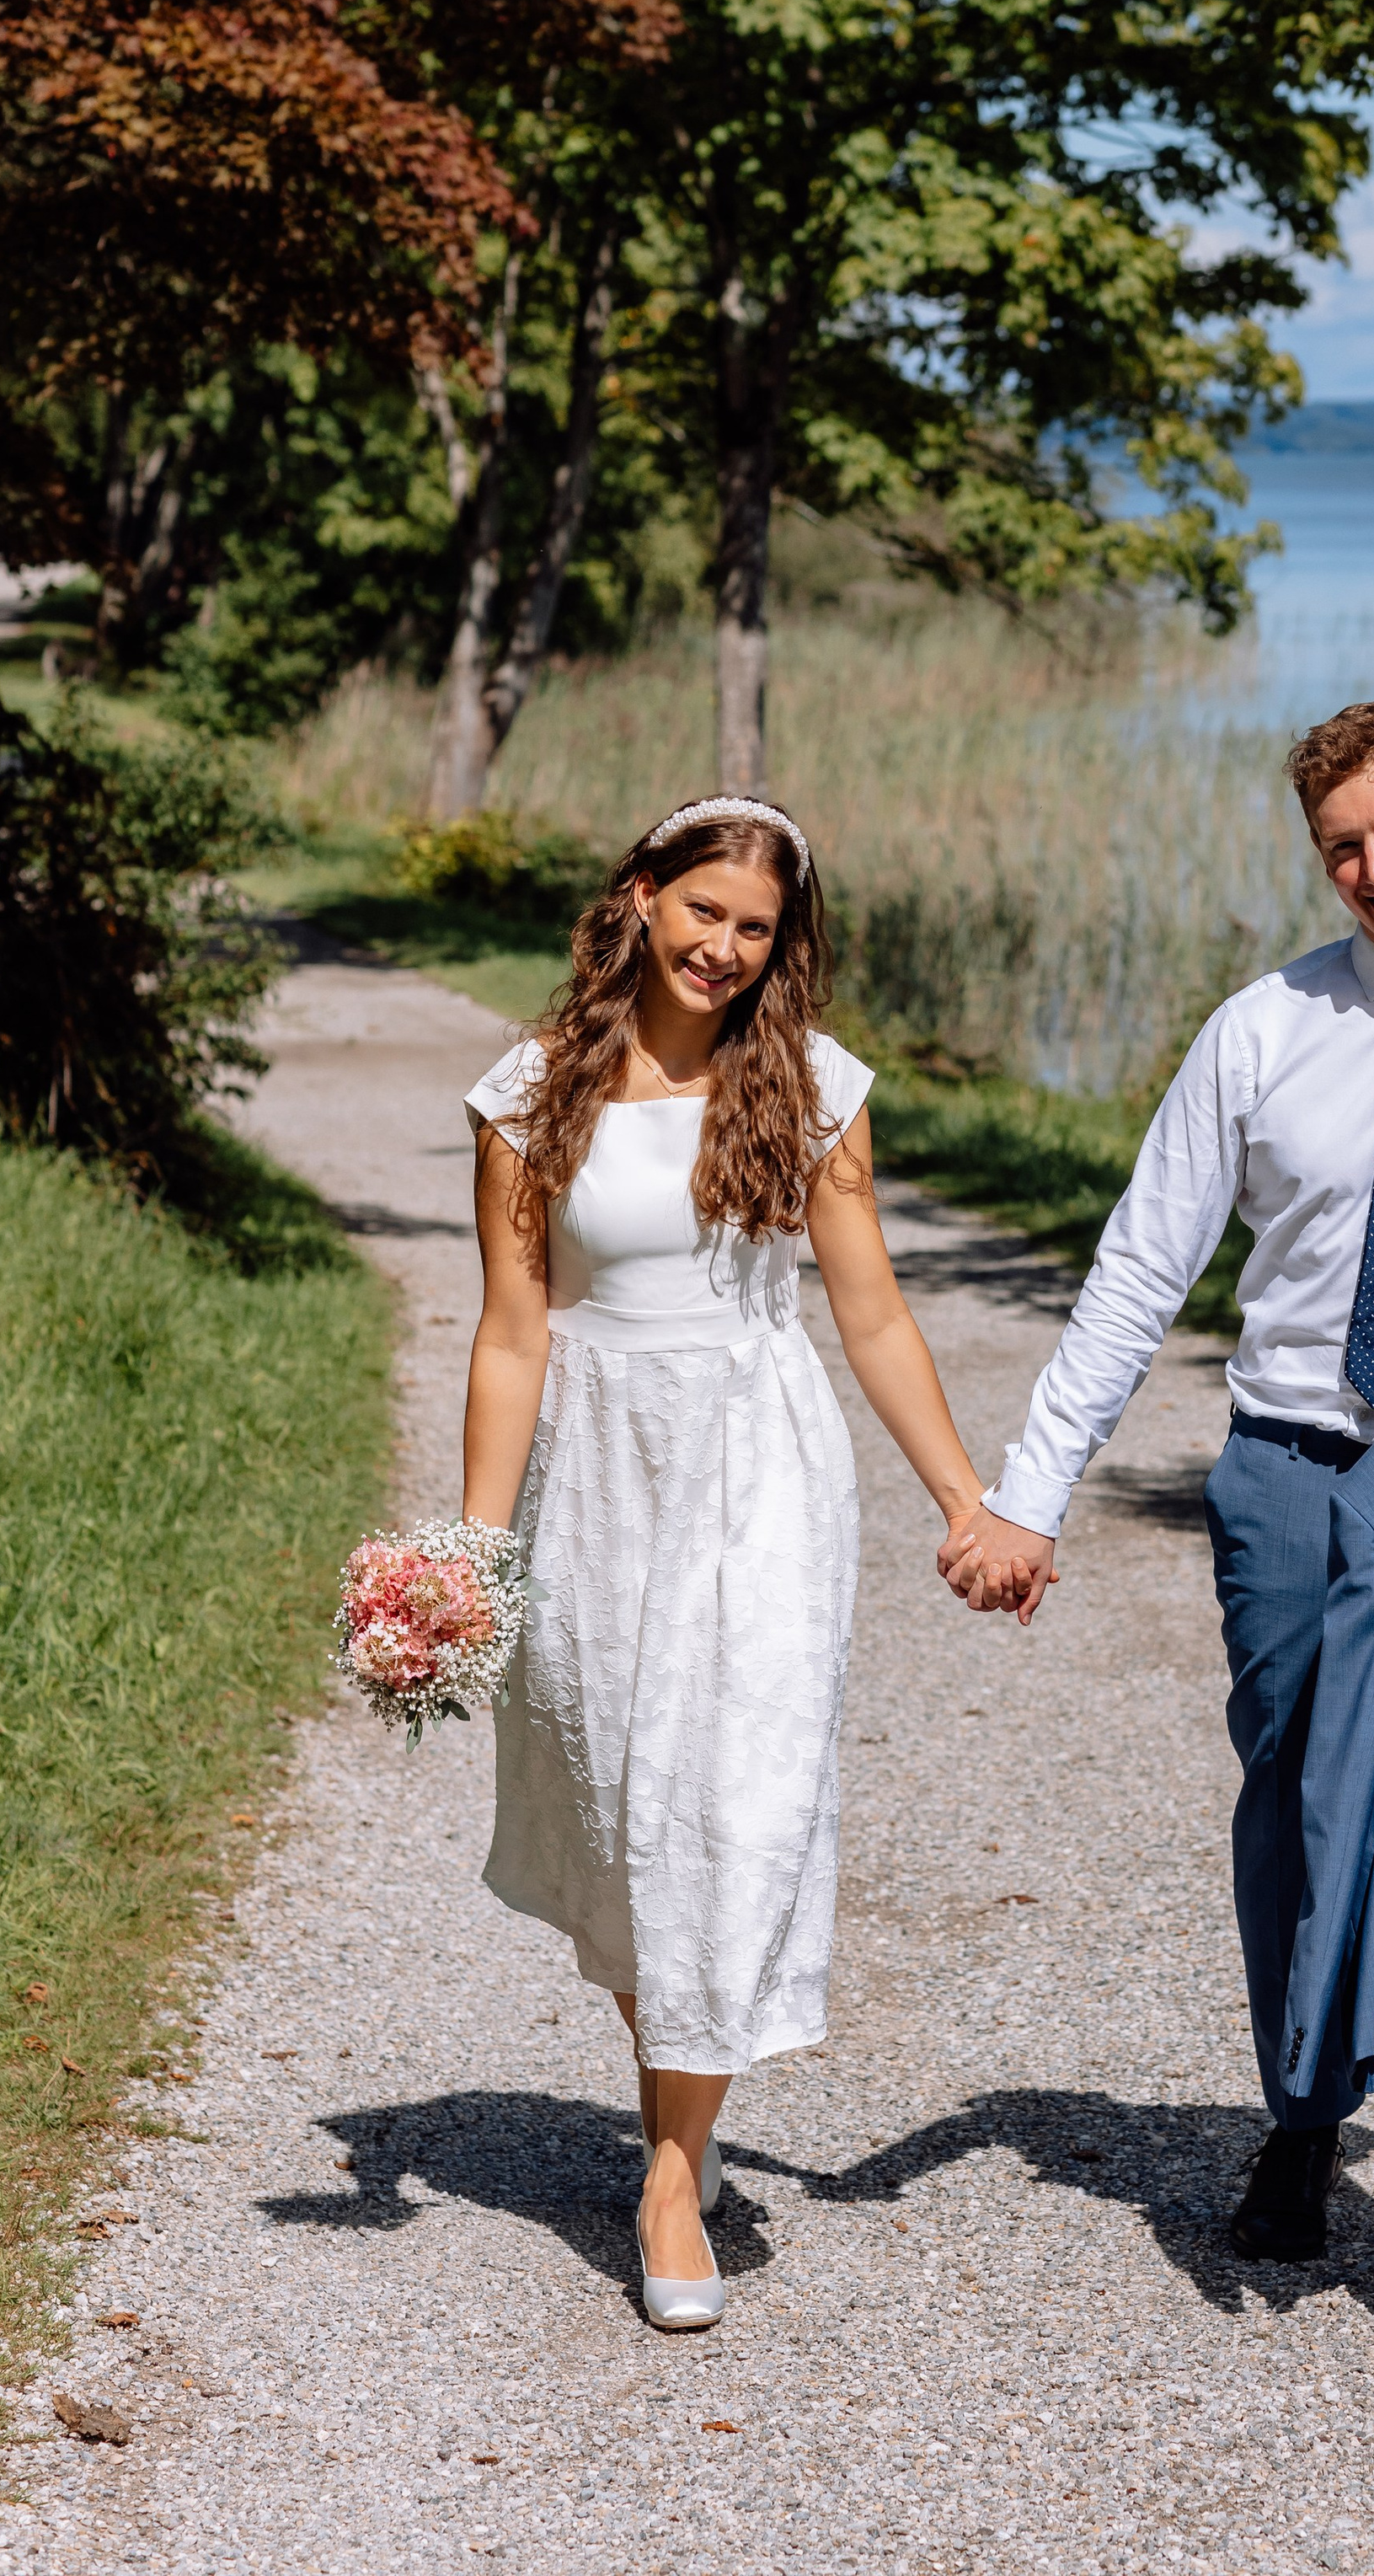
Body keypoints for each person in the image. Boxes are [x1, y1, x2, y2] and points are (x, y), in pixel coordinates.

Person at [938, 699, 1374, 2370]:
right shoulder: (1260, 1032)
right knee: (1299, 1815)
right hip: (1287, 1481)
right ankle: (1302, 2109)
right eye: (1342, 846)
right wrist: (1030, 1492)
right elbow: (1140, 1265)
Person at [458, 795, 991, 2334]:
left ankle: (674, 2179)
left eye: (757, 929)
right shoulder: (528, 1096)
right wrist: (470, 1556)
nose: (726, 949)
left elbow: (872, 1314)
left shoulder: (811, 1088)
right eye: (705, 912)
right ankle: (675, 2103)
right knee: (625, 1822)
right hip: (596, 1479)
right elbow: (512, 1335)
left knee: (731, 1809)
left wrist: (966, 1500)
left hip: (760, 1470)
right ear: (642, 896)